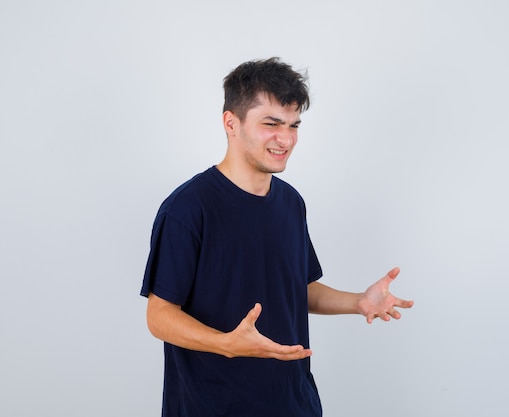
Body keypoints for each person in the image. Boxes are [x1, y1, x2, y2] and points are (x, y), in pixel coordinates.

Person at [140, 57, 414, 417]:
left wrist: (358, 301)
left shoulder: (290, 202)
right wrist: (226, 344)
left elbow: (296, 289)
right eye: (271, 124)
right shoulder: (188, 208)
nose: (285, 139)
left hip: (294, 402)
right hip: (211, 406)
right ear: (231, 123)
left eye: (293, 125)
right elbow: (159, 315)